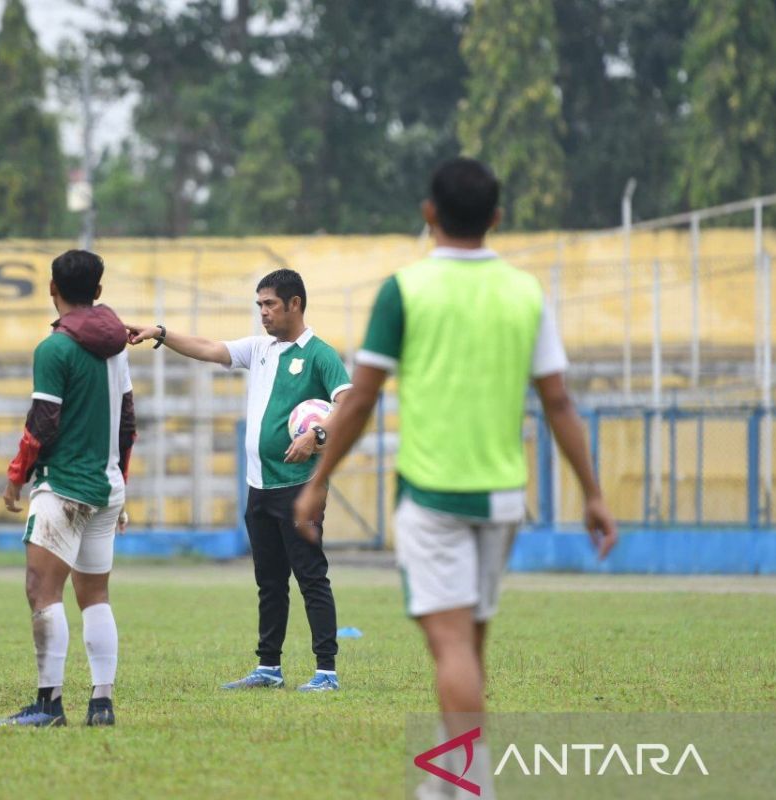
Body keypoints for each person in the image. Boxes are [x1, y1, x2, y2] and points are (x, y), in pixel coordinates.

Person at [293, 158, 618, 797]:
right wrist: (595, 493)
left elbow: (358, 400)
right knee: (469, 643)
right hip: (502, 500)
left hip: (433, 496)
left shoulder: (405, 291)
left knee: (453, 650)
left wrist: (319, 476)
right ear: (497, 218)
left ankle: (469, 784)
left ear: (429, 214)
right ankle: (449, 782)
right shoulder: (525, 293)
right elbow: (558, 402)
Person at [127, 269, 351, 692]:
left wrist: (316, 433)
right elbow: (209, 348)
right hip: (259, 486)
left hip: (299, 487)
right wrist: (160, 332)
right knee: (269, 580)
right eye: (259, 305)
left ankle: (326, 671)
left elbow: (347, 402)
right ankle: (269, 667)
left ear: (295, 304)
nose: (263, 313)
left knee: (310, 576)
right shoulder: (260, 349)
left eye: (270, 304)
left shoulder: (320, 354)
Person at [0, 250, 136, 728]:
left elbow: (42, 423)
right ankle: (101, 703)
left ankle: (49, 704)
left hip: (64, 488)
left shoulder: (53, 349)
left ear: (51, 288)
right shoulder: (117, 345)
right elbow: (128, 424)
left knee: (42, 590)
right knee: (94, 595)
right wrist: (120, 482)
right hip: (106, 487)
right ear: (98, 292)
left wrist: (17, 476)